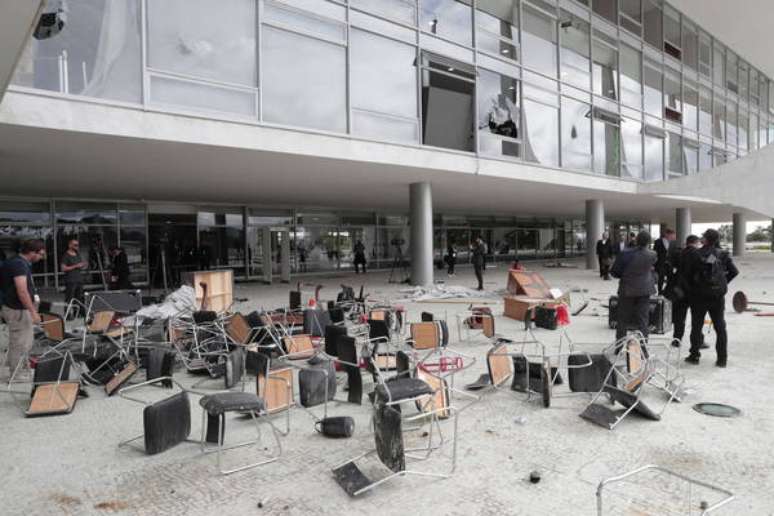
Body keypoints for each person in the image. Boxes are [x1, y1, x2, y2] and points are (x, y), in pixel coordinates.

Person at [683, 229, 739, 367]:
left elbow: (687, 275)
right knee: (720, 327)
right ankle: (722, 359)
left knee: (696, 326)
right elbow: (734, 271)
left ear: (705, 239)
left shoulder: (695, 254)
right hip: (717, 297)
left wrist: (692, 290)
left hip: (699, 296)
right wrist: (722, 283)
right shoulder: (723, 254)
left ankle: (694, 356)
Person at [0, 239, 45, 377]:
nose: (41, 257)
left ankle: (22, 367)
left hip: (15, 307)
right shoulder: (19, 265)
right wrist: (33, 312)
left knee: (25, 340)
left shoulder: (17, 262)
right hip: (17, 309)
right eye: (40, 254)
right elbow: (22, 291)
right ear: (32, 252)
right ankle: (17, 373)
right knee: (19, 341)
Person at [611, 231, 656, 342]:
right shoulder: (652, 254)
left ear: (636, 240)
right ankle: (643, 346)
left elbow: (614, 272)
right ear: (648, 242)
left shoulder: (625, 253)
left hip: (627, 290)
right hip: (645, 290)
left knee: (622, 319)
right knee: (643, 320)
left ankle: (620, 345)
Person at [664, 235, 700, 347]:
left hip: (679, 289)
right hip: (693, 291)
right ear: (696, 242)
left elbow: (667, 269)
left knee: (679, 316)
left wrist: (673, 280)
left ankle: (677, 339)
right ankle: (699, 340)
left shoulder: (679, 253)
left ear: (686, 242)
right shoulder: (698, 254)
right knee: (698, 317)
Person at [60, 238, 87, 316]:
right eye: (75, 245)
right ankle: (68, 314)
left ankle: (77, 313)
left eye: (78, 245)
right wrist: (76, 266)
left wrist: (82, 265)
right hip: (70, 280)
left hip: (79, 279)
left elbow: (79, 265)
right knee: (69, 298)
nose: (77, 246)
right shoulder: (66, 255)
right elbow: (63, 268)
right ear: (70, 245)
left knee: (79, 298)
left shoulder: (77, 254)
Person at [654, 228, 676, 295]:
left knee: (671, 278)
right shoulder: (658, 241)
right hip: (661, 264)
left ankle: (667, 291)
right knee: (661, 279)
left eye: (673, 235)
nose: (672, 236)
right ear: (666, 234)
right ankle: (660, 292)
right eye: (671, 235)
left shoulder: (674, 242)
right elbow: (655, 253)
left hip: (670, 264)